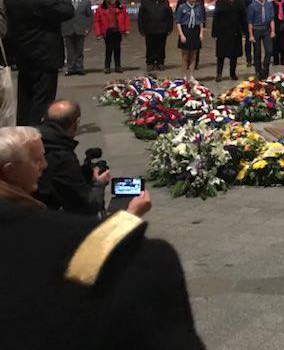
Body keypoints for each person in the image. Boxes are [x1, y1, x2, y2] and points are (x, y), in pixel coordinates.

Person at [0, 126, 205, 350]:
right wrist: (130, 216)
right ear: (9, 170)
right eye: (37, 160)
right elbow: (80, 260)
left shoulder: (19, 201)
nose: (45, 165)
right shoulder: (24, 221)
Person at [5, 0, 74, 126]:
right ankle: (37, 130)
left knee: (25, 97)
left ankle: (23, 130)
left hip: (24, 55)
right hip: (44, 56)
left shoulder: (15, 0)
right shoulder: (40, 1)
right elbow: (67, 12)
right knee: (42, 98)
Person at [35, 100, 110, 215]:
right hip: (41, 217)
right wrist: (99, 184)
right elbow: (87, 207)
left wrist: (82, 172)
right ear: (76, 123)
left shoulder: (32, 139)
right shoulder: (61, 155)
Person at [211, 0, 245, 82]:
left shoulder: (238, 2)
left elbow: (243, 16)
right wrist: (215, 33)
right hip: (223, 33)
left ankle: (232, 73)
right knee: (221, 55)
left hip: (235, 32)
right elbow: (216, 18)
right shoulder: (220, 3)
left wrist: (243, 30)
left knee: (234, 55)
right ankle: (219, 74)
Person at [139, 0, 174, 72]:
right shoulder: (145, 2)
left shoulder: (165, 2)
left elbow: (170, 16)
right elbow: (140, 17)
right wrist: (141, 29)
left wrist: (170, 28)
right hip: (149, 29)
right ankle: (150, 63)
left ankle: (160, 62)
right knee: (150, 47)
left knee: (161, 47)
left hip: (162, 29)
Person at [93, 0, 130, 75]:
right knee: (108, 49)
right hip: (107, 31)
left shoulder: (121, 7)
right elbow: (96, 21)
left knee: (117, 49)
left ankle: (118, 66)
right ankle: (107, 67)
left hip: (117, 30)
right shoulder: (101, 8)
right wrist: (98, 33)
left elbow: (126, 18)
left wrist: (126, 29)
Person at [61, 0, 93, 76]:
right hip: (67, 28)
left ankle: (79, 67)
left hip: (80, 28)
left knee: (79, 49)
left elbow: (89, 15)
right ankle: (70, 68)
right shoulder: (64, 1)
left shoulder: (86, 0)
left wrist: (88, 28)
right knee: (69, 50)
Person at [174, 0, 205, 80]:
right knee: (185, 56)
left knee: (193, 55)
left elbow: (201, 21)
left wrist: (201, 33)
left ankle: (191, 75)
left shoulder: (198, 7)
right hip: (185, 30)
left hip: (195, 31)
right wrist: (181, 35)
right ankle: (184, 76)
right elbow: (178, 22)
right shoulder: (182, 7)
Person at [246, 0, 275, 80]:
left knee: (269, 50)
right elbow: (250, 22)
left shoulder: (269, 5)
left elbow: (272, 19)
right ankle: (258, 71)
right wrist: (251, 35)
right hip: (256, 30)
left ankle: (265, 69)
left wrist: (273, 31)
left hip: (266, 30)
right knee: (257, 52)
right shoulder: (252, 6)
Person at [240, 0, 261, 67]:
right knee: (248, 42)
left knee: (257, 42)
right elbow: (243, 8)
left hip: (259, 22)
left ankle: (257, 59)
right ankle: (249, 60)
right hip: (248, 22)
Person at [1, 0, 17, 70]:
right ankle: (7, 63)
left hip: (16, 26)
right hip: (5, 26)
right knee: (7, 45)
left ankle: (14, 62)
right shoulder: (2, 0)